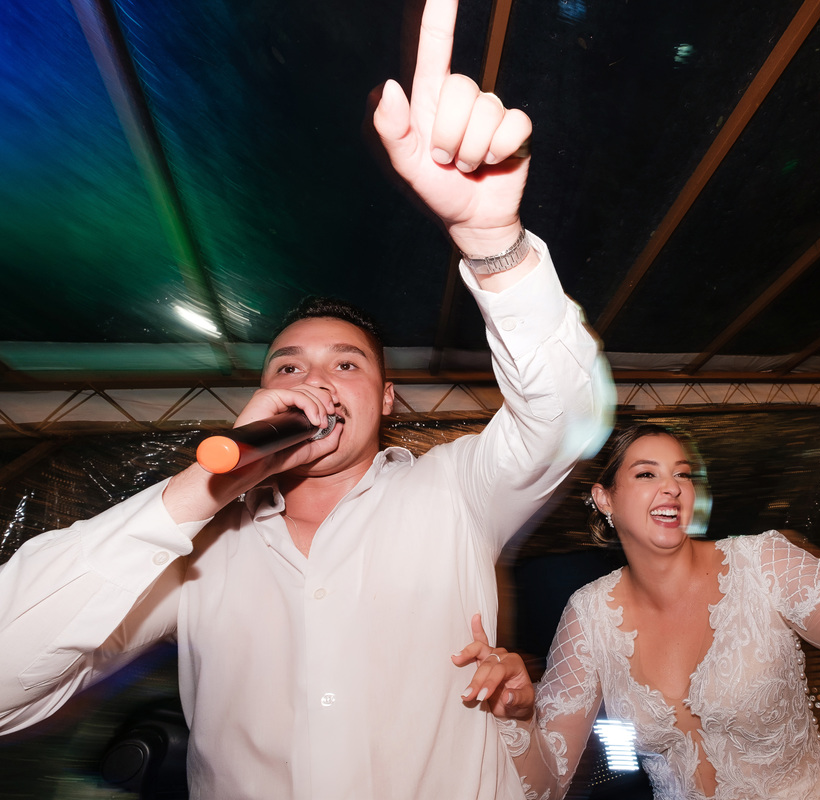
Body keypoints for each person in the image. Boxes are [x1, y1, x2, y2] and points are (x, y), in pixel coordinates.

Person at [0, 0, 612, 796]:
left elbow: (570, 416)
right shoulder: (198, 551)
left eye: (345, 366)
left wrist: (493, 240)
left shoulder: (453, 493)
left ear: (388, 399)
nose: (313, 380)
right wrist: (197, 491)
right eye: (287, 368)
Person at [456, 423, 820, 800]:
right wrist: (520, 717)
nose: (672, 486)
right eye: (646, 473)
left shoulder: (763, 561)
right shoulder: (587, 615)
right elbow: (546, 784)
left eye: (682, 473)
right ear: (604, 498)